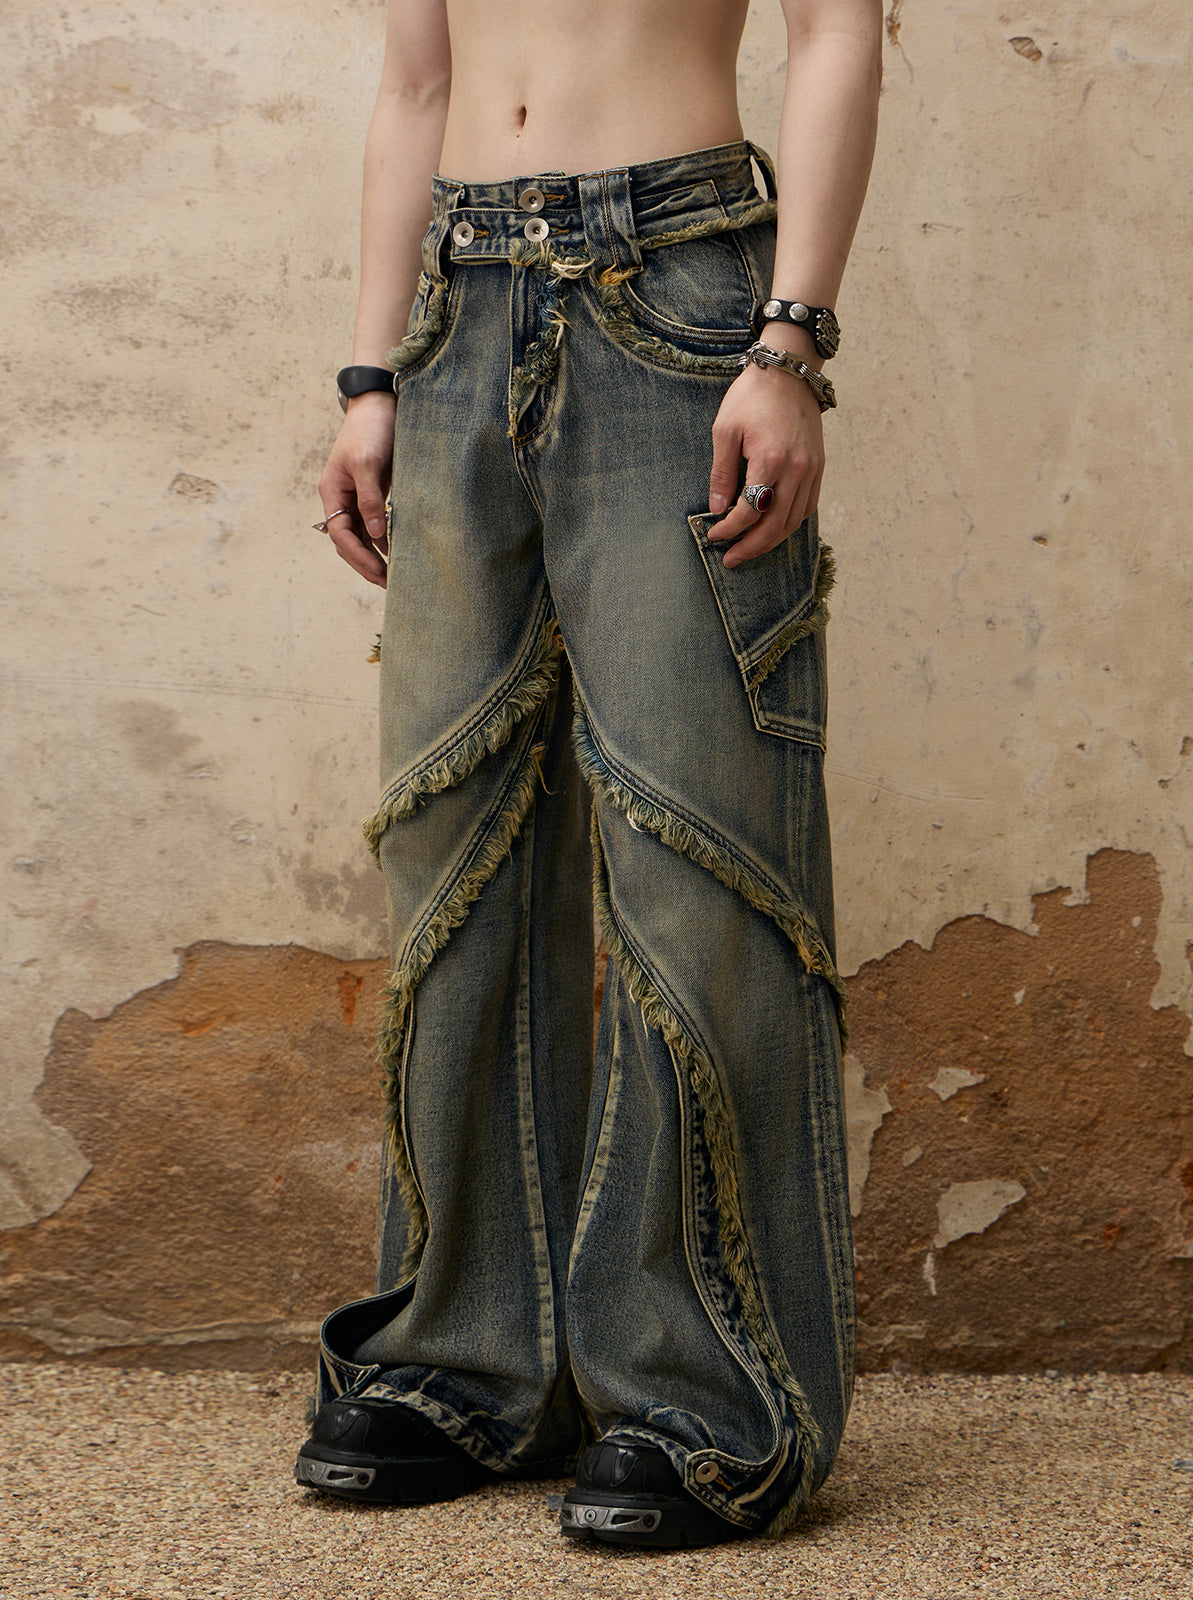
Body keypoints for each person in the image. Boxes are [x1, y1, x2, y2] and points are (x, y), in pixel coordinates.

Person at [297, 0, 882, 1550]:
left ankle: (710, 1404)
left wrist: (789, 343)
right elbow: (419, 77)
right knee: (455, 842)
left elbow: (837, 32)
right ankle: (462, 1366)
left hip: (676, 290)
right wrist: (371, 375)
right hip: (454, 303)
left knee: (698, 845)